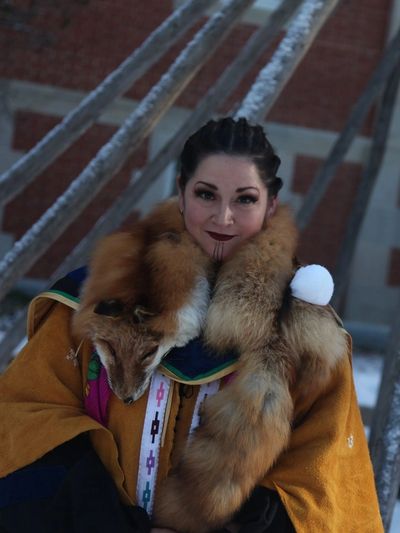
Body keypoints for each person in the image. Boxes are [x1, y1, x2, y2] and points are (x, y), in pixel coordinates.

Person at [0, 117, 383, 532]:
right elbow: (25, 416)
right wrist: (96, 509)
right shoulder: (99, 300)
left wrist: (246, 522)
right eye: (206, 194)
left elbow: (324, 476)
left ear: (271, 205)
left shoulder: (307, 333)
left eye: (245, 199)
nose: (223, 216)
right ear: (181, 192)